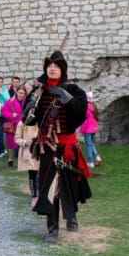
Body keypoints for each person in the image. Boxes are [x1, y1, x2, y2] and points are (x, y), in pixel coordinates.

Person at [22, 50, 92, 243]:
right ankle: (52, 228)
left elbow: (81, 113)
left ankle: (71, 217)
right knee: (49, 186)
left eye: (56, 66)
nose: (52, 69)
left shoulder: (74, 90)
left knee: (69, 184)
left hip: (67, 145)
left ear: (63, 70)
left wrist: (64, 95)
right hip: (47, 146)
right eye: (49, 66)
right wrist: (29, 109)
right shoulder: (39, 92)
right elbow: (28, 120)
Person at [14, 120, 39, 207]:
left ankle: (41, 195)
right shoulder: (22, 123)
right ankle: (34, 196)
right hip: (28, 153)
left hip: (40, 152)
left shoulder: (40, 122)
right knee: (32, 175)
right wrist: (25, 142)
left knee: (41, 175)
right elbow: (17, 138)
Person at [1, 86, 25, 167]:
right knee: (11, 143)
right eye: (20, 93)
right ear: (16, 92)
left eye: (23, 93)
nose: (21, 95)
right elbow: (3, 111)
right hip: (13, 125)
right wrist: (11, 115)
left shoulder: (26, 101)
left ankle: (21, 160)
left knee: (22, 143)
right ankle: (11, 158)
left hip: (24, 125)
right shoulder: (10, 101)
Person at [79, 91, 102, 168]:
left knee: (88, 145)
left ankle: (90, 162)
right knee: (91, 143)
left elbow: (84, 121)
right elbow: (97, 119)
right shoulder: (94, 106)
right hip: (93, 129)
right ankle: (97, 157)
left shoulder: (86, 107)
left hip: (88, 130)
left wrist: (82, 130)